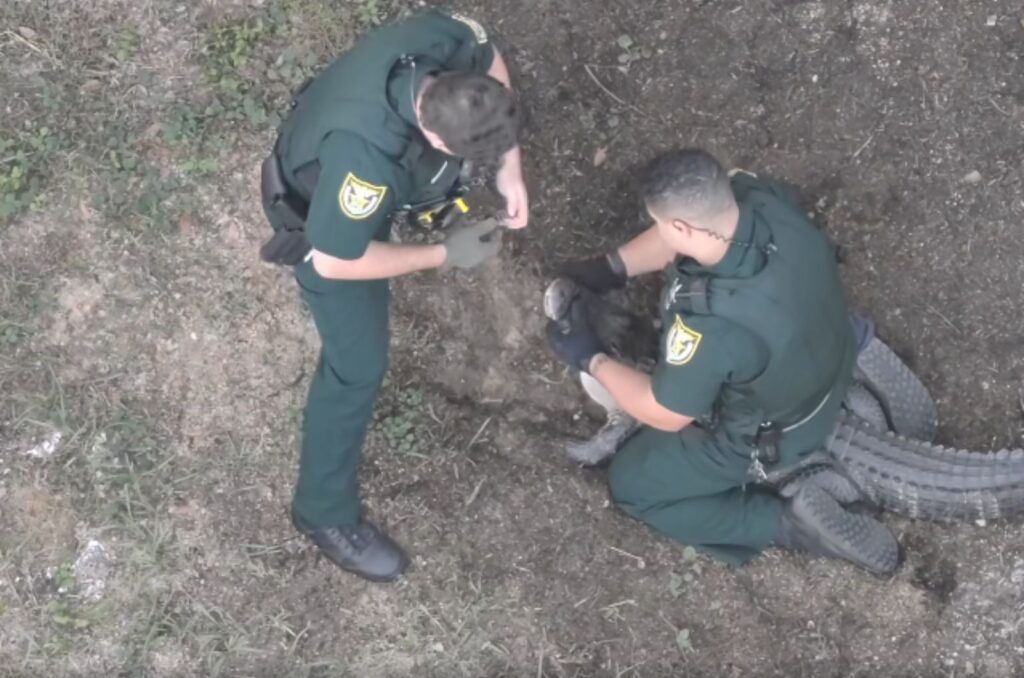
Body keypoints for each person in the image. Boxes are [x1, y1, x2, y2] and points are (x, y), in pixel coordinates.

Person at [259, 9, 528, 582]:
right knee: (357, 366)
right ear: (432, 135)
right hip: (321, 226)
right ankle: (321, 513)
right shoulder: (369, 162)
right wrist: (443, 255)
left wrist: (511, 173)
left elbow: (489, 53)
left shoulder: (438, 40)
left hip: (350, 166)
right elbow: (338, 259)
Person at [545, 148, 899, 574]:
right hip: (829, 355)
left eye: (661, 225)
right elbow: (686, 235)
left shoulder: (710, 325)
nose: (658, 233)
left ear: (678, 226)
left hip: (773, 432)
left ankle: (787, 523)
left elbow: (666, 412)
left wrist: (590, 356)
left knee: (633, 485)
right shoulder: (760, 198)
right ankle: (860, 359)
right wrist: (608, 270)